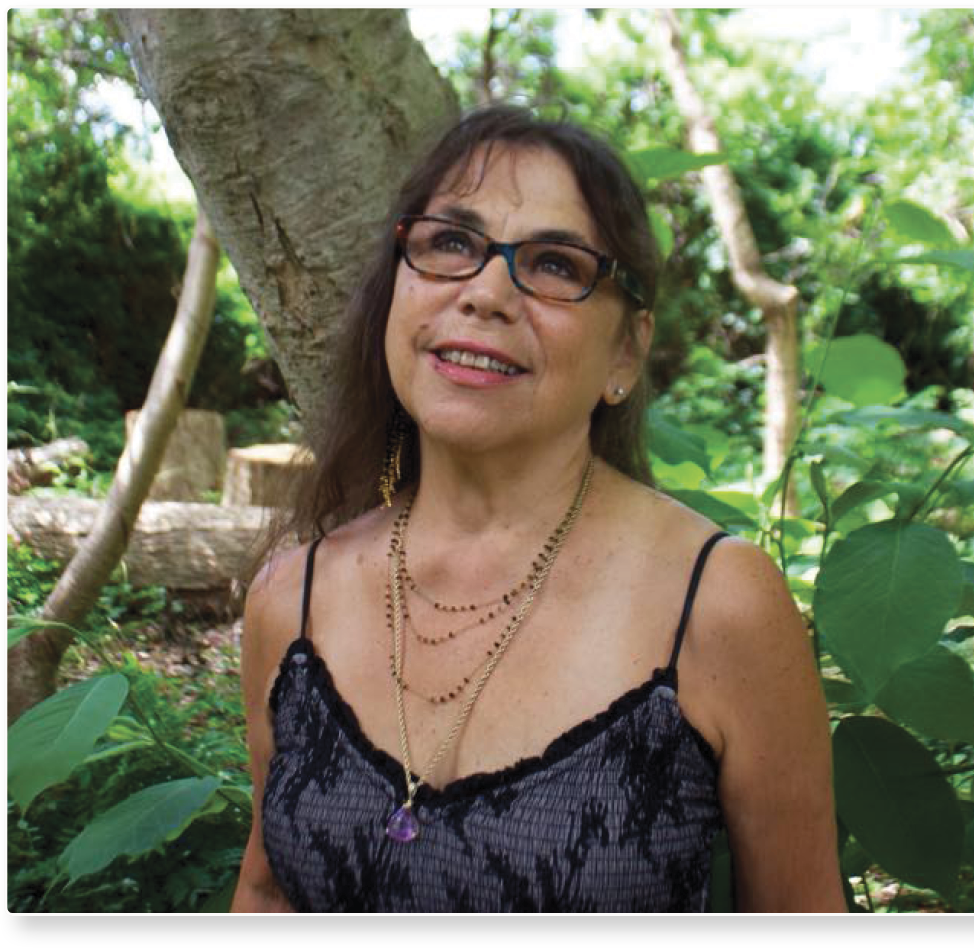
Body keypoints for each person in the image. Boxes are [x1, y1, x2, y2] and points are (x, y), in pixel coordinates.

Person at [230, 104, 846, 913]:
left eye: (556, 264)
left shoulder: (720, 606)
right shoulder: (291, 601)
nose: (487, 292)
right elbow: (267, 888)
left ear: (624, 353)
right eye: (451, 242)